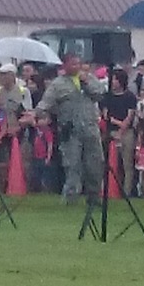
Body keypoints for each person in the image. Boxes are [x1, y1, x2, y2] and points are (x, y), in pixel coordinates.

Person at [31, 53, 105, 207]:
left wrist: (87, 83)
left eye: (78, 63)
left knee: (95, 163)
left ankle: (94, 197)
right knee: (72, 165)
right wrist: (35, 114)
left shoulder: (89, 79)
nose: (76, 67)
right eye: (73, 64)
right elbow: (46, 103)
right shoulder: (58, 84)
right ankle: (71, 198)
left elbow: (100, 94)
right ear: (64, 66)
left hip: (90, 127)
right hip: (70, 130)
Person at [103, 69, 138, 196]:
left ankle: (126, 191)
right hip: (110, 132)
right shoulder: (107, 96)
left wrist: (119, 126)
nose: (113, 82)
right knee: (111, 162)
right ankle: (110, 189)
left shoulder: (130, 97)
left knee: (127, 163)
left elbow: (129, 118)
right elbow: (105, 115)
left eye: (115, 79)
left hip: (126, 133)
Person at [31, 114, 55, 193]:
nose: (41, 121)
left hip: (43, 157)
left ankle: (46, 190)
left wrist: (48, 157)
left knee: (45, 175)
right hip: (36, 157)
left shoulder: (48, 132)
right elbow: (32, 122)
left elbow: (50, 145)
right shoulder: (36, 130)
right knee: (36, 175)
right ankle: (36, 190)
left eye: (43, 119)